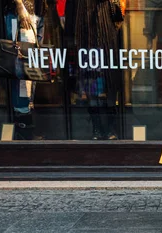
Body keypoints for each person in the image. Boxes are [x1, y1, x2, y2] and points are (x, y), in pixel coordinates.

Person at [60, 0, 123, 140]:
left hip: (104, 16)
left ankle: (109, 126)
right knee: (89, 74)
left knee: (109, 74)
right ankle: (97, 126)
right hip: (83, 18)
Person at [3, 0, 48, 140]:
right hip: (21, 13)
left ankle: (25, 126)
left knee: (31, 70)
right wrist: (19, 5)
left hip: (36, 12)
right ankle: (23, 128)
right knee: (22, 70)